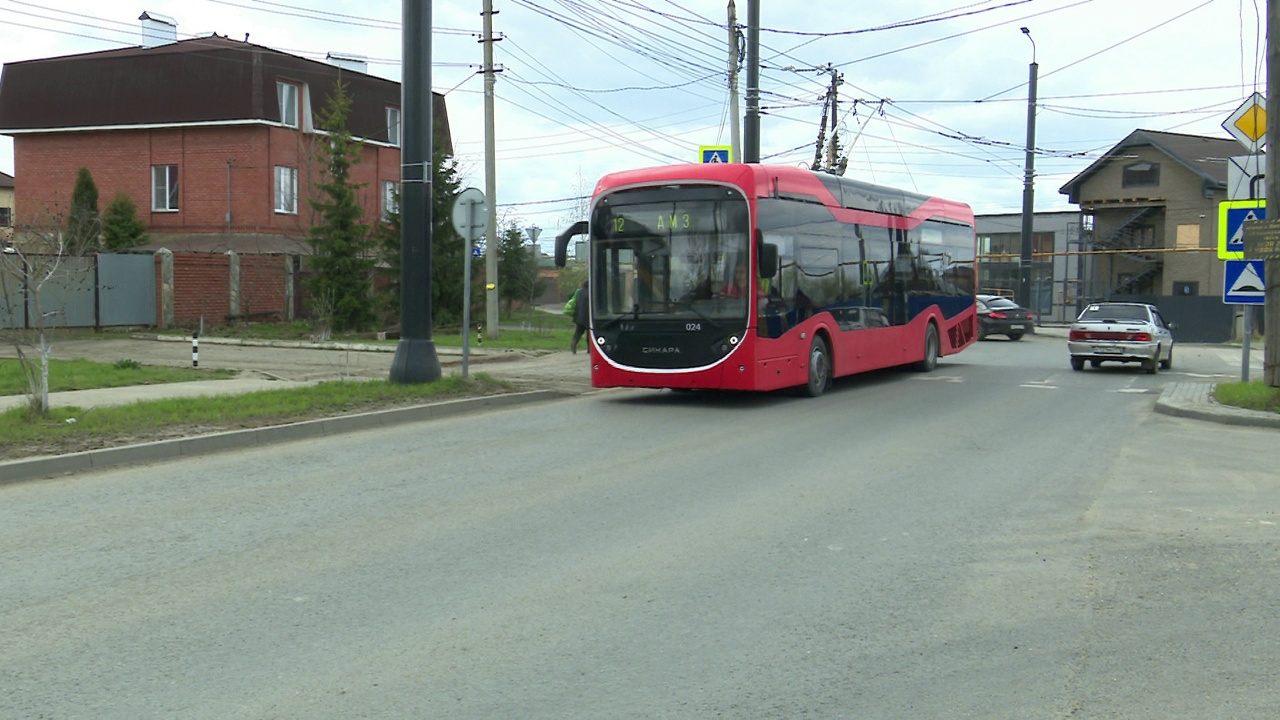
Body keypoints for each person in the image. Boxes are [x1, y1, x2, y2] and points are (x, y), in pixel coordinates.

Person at [570, 280, 590, 354]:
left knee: (578, 332)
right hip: (588, 316)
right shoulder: (590, 293)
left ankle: (574, 343)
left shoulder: (579, 292)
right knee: (589, 333)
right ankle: (589, 348)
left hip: (579, 316)